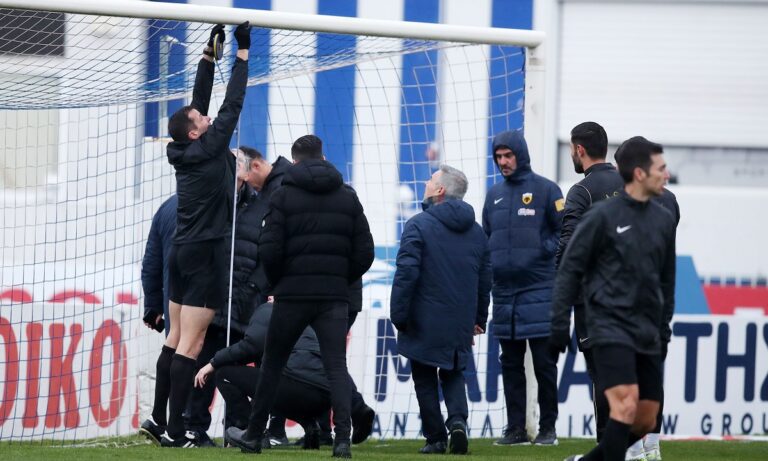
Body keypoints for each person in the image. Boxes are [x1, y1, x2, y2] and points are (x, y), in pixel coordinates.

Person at [225, 134, 375, 458]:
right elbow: (365, 252)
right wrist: (339, 278)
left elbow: (269, 249)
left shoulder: (282, 196)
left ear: (294, 161)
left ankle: (254, 435)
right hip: (333, 298)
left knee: (272, 364)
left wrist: (281, 282)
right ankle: (342, 440)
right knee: (335, 367)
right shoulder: (347, 196)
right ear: (323, 157)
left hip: (292, 296)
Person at [138, 22, 251, 448]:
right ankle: (175, 431)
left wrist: (207, 57)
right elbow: (232, 104)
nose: (206, 117)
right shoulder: (209, 145)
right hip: (204, 255)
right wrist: (242, 54)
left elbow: (198, 105)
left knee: (174, 339)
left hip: (181, 253)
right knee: (193, 342)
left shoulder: (183, 148)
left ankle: (156, 419)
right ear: (196, 132)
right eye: (202, 120)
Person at [551, 136, 677, 461]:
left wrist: (663, 330)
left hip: (647, 330)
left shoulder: (664, 217)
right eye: (660, 169)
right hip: (609, 326)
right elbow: (569, 269)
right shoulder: (602, 217)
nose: (666, 175)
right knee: (624, 406)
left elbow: (667, 281)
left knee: (645, 418)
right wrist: (559, 323)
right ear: (639, 173)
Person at [390, 165, 491, 455]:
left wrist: (399, 314)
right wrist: (478, 318)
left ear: (440, 190)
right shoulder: (477, 233)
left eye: (431, 179)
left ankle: (435, 438)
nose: (426, 182)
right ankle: (458, 422)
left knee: (424, 376)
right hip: (460, 320)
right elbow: (485, 280)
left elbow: (406, 274)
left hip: (423, 317)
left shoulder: (418, 225)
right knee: (454, 372)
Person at [193, 301, 375, 448]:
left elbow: (251, 345)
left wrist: (213, 363)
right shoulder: (305, 318)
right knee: (279, 378)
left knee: (224, 373)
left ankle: (252, 431)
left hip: (293, 389)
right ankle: (313, 427)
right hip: (324, 400)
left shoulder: (268, 310)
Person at [482, 130, 564, 446]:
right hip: (504, 295)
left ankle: (548, 428)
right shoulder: (493, 195)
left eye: (508, 155)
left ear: (520, 154)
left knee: (544, 365)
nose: (503, 162)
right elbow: (487, 236)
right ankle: (515, 429)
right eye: (498, 157)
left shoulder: (547, 190)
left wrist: (542, 251)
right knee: (511, 365)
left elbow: (565, 232)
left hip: (540, 290)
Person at [555, 122, 624, 444]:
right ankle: (637, 447)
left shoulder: (581, 191)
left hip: (595, 301)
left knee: (602, 376)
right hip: (633, 296)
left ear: (579, 150)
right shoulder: (630, 184)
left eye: (572, 149)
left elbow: (568, 246)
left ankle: (607, 447)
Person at [615, 144, 680, 461]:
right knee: (650, 382)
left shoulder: (624, 205)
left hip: (632, 308)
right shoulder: (669, 203)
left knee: (631, 383)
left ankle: (635, 447)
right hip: (655, 308)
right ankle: (650, 445)